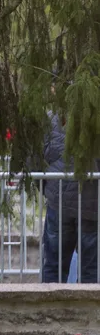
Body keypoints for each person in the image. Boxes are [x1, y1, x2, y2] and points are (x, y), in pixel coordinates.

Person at [42, 112, 100, 283]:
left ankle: (50, 308)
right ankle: (86, 309)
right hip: (91, 206)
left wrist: (47, 189)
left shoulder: (53, 119)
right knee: (89, 269)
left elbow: (39, 158)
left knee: (54, 266)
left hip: (58, 202)